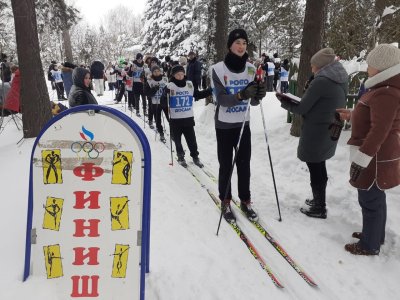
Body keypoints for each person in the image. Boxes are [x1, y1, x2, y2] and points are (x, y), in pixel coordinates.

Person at [337, 44, 400, 256]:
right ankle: (374, 235)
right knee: (375, 196)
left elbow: (380, 129)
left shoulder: (386, 93)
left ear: (382, 68)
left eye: (370, 64)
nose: (367, 68)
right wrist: (353, 114)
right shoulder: (383, 88)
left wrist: (361, 159)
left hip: (374, 155)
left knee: (369, 198)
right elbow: (375, 116)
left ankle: (369, 245)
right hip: (375, 154)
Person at [277, 48, 348, 219]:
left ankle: (319, 207)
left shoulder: (322, 81)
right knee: (319, 164)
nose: (311, 69)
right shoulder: (339, 76)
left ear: (322, 66)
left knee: (315, 166)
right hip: (330, 126)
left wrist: (284, 101)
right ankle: (318, 199)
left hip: (317, 129)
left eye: (313, 66)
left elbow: (302, 107)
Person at [211, 28, 267, 223]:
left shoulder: (251, 69)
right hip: (225, 125)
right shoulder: (218, 69)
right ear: (230, 45)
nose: (241, 46)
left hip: (244, 124)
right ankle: (225, 200)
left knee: (244, 165)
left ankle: (245, 200)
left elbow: (253, 103)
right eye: (237, 43)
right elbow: (222, 100)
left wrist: (258, 94)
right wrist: (242, 94)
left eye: (244, 43)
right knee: (226, 165)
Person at [164, 64, 212, 168]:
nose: (180, 76)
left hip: (188, 118)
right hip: (176, 119)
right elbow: (163, 99)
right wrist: (165, 93)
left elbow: (197, 95)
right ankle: (180, 156)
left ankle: (195, 157)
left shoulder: (189, 84)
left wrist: (209, 91)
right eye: (177, 75)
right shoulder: (170, 86)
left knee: (192, 141)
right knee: (177, 140)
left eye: (182, 74)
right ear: (173, 75)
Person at [144, 65, 169, 139]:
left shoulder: (165, 79)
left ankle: (174, 133)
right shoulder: (149, 81)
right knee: (158, 119)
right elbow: (146, 93)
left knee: (169, 118)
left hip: (164, 102)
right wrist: (154, 89)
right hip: (155, 103)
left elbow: (170, 89)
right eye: (155, 71)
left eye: (158, 71)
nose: (157, 73)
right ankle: (161, 133)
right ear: (152, 73)